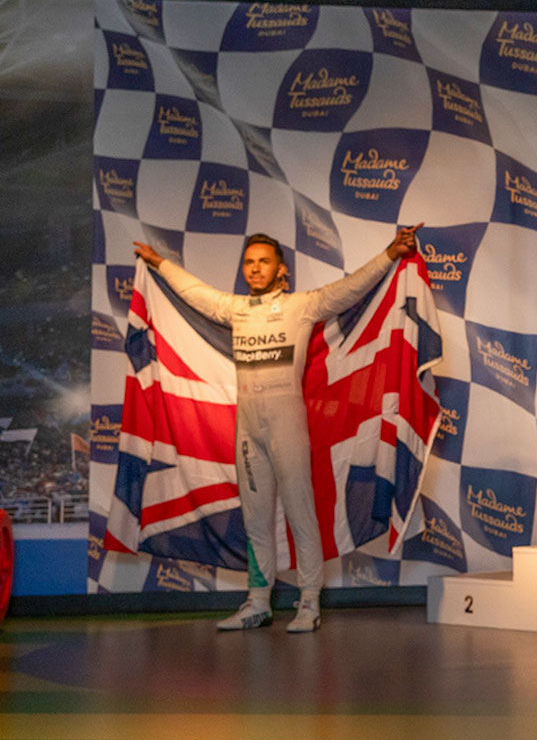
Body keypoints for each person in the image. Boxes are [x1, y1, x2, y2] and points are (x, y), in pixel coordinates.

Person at [131, 224, 420, 632]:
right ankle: (258, 603)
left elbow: (353, 288)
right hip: (248, 429)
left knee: (301, 512)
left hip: (287, 425)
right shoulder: (235, 309)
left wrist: (391, 253)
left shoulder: (301, 306)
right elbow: (195, 292)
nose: (254, 269)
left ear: (280, 268)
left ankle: (308, 603)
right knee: (255, 518)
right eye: (249, 263)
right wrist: (160, 264)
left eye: (263, 261)